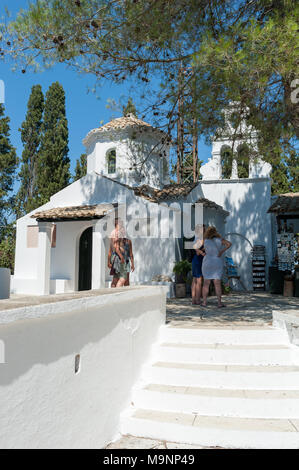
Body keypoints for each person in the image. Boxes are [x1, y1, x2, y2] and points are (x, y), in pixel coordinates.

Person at [201, 226, 232, 308]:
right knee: (217, 284)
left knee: (206, 283)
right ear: (215, 232)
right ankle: (219, 303)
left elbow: (200, 248)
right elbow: (229, 244)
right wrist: (221, 251)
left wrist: (204, 251)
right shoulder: (220, 240)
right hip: (217, 261)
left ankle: (204, 302)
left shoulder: (205, 240)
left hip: (207, 261)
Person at [191, 224, 206, 305]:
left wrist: (202, 250)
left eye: (204, 229)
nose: (203, 230)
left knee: (195, 280)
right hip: (198, 260)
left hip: (197, 260)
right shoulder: (199, 238)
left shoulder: (198, 237)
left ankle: (194, 300)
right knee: (199, 280)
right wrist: (201, 252)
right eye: (202, 229)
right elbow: (196, 249)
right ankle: (197, 300)